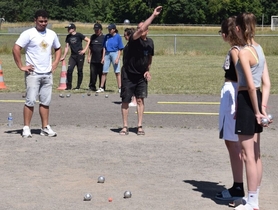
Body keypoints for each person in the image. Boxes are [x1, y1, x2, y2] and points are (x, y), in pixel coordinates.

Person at [233, 12, 271, 210]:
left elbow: (248, 85)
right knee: (255, 154)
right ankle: (253, 196)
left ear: (239, 28)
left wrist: (255, 111)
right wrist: (263, 108)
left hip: (248, 101)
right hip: (254, 102)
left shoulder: (244, 52)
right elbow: (266, 83)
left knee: (248, 155)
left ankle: (253, 201)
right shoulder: (259, 48)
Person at [12, 9, 61, 138]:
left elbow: (58, 48)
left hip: (47, 73)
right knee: (30, 101)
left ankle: (45, 127)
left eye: (45, 21)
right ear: (35, 21)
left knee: (45, 101)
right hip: (33, 73)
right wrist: (21, 66)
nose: (43, 24)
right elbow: (16, 48)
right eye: (40, 21)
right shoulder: (28, 34)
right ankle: (26, 128)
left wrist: (55, 62)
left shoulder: (52, 34)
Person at [119, 6, 162, 135]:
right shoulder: (133, 40)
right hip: (128, 74)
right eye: (138, 28)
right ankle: (125, 126)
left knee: (140, 100)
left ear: (147, 31)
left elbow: (149, 58)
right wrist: (153, 15)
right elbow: (141, 28)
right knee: (126, 100)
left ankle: (139, 126)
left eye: (142, 28)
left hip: (140, 75)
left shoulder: (150, 43)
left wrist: (148, 70)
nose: (140, 30)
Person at [215, 17, 245, 201]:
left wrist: (237, 104)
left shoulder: (236, 50)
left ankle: (238, 187)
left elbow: (242, 77)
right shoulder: (245, 47)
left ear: (226, 34)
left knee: (233, 142)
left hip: (233, 94)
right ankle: (238, 186)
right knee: (233, 142)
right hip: (233, 93)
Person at [61, 23, 90, 90]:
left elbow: (88, 40)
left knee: (79, 70)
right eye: (67, 28)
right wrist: (64, 56)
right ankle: (69, 86)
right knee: (69, 70)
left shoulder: (79, 35)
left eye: (69, 28)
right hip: (73, 56)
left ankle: (78, 86)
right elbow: (66, 47)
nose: (68, 30)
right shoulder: (68, 37)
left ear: (73, 29)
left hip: (80, 55)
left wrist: (84, 50)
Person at [96, 23, 124, 93]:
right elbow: (104, 47)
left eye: (110, 29)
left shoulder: (118, 37)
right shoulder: (107, 36)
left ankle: (120, 87)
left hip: (115, 53)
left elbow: (120, 48)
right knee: (104, 71)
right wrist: (103, 57)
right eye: (108, 29)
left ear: (114, 30)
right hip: (107, 54)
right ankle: (101, 87)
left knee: (117, 72)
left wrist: (117, 58)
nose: (109, 30)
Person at [87, 23, 105, 91]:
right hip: (93, 59)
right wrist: (88, 56)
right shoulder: (92, 37)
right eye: (95, 30)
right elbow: (90, 48)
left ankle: (102, 87)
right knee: (92, 74)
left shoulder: (103, 37)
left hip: (101, 59)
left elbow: (104, 48)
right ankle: (92, 86)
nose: (96, 31)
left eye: (97, 30)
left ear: (100, 30)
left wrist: (103, 58)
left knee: (101, 74)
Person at [123, 27, 137, 107]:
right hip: (127, 66)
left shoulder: (132, 44)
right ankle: (131, 99)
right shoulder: (128, 44)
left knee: (133, 83)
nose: (124, 36)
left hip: (132, 67)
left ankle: (134, 100)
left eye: (125, 35)